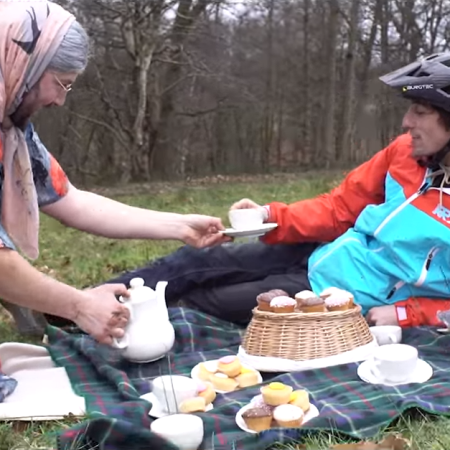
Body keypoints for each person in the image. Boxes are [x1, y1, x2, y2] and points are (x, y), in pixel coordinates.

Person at [101, 52, 450, 330]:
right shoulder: (404, 153)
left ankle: (123, 329)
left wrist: (407, 314)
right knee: (196, 261)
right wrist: (270, 216)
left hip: (343, 294)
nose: (406, 122)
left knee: (208, 303)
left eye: (420, 112)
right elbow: (339, 208)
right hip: (324, 250)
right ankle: (92, 305)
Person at [0, 3, 228, 341]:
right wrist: (79, 306)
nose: (60, 101)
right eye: (61, 83)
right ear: (24, 64)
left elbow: (71, 201)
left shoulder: (11, 130)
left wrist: (180, 225)